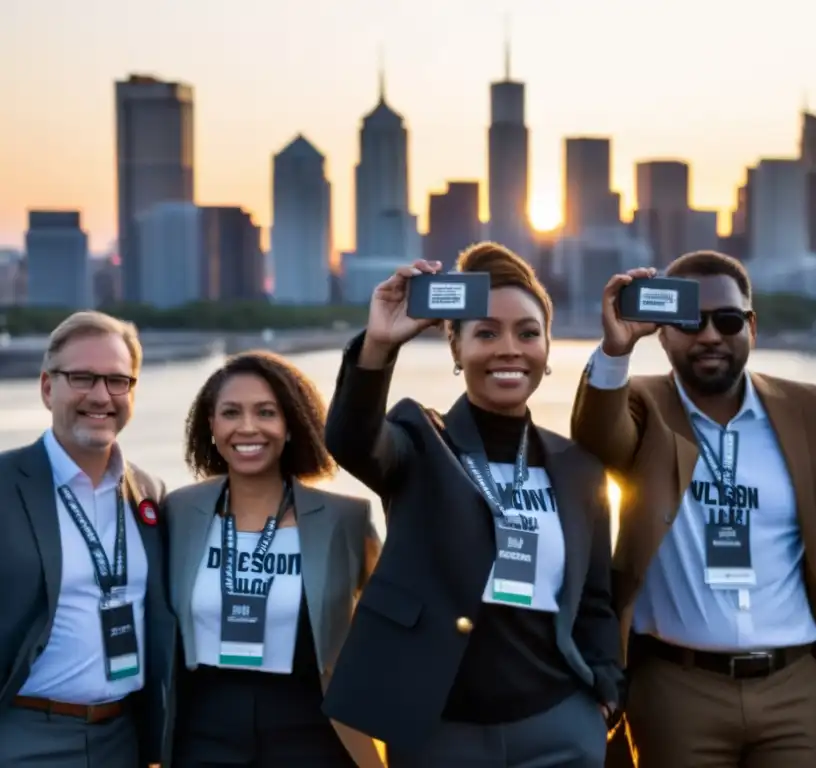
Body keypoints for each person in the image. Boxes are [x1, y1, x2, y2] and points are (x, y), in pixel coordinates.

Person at [321, 243, 622, 767]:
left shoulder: (578, 468)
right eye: (486, 332)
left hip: (560, 727)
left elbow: (595, 602)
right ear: (456, 350)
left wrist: (605, 696)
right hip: (443, 734)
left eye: (528, 332)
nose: (510, 348)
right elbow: (351, 439)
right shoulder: (419, 442)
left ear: (547, 349)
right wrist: (378, 346)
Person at [570, 251, 816, 768]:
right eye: (689, 321)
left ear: (752, 327)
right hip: (675, 689)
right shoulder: (641, 405)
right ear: (663, 333)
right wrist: (615, 351)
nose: (709, 335)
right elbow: (598, 440)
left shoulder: (812, 408)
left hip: (795, 688)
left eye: (727, 320)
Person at [164, 351, 383, 768]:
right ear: (211, 425)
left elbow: (392, 625)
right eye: (231, 413)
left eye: (266, 412)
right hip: (203, 730)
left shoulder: (345, 520)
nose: (248, 428)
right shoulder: (177, 512)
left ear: (291, 426)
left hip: (313, 729)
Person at [0, 311, 175, 768]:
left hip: (123, 739)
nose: (101, 396)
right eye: (82, 377)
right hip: (22, 736)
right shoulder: (2, 484)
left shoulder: (149, 494)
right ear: (46, 388)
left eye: (118, 380)